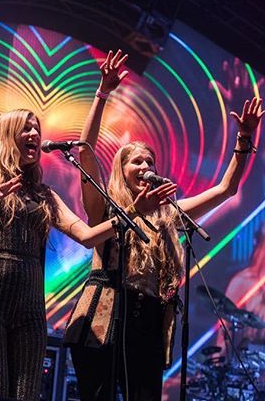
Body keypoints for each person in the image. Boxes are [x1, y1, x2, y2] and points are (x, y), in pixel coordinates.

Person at [0, 108, 176, 400]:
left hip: (29, 307)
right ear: (6, 134)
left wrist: (134, 211)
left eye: (36, 129)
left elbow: (87, 238)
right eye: (25, 129)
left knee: (26, 394)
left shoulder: (44, 194)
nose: (34, 134)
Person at [64, 49, 263, 400]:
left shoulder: (170, 213)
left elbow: (226, 189)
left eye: (150, 161)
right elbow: (84, 151)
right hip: (105, 318)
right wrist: (103, 92)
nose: (144, 167)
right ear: (121, 171)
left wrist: (243, 140)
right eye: (136, 161)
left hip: (150, 322)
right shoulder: (104, 205)